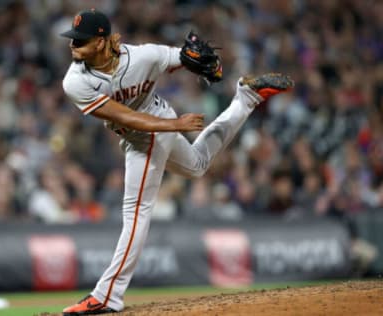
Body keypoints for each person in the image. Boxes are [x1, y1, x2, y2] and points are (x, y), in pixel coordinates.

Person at [60, 9, 293, 315]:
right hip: (150, 128)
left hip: (153, 131)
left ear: (102, 41)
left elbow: (187, 57)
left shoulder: (144, 56)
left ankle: (107, 295)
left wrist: (210, 66)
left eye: (81, 40)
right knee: (197, 165)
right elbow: (123, 116)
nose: (73, 46)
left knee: (136, 210)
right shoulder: (75, 81)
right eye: (73, 39)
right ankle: (247, 98)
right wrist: (176, 125)